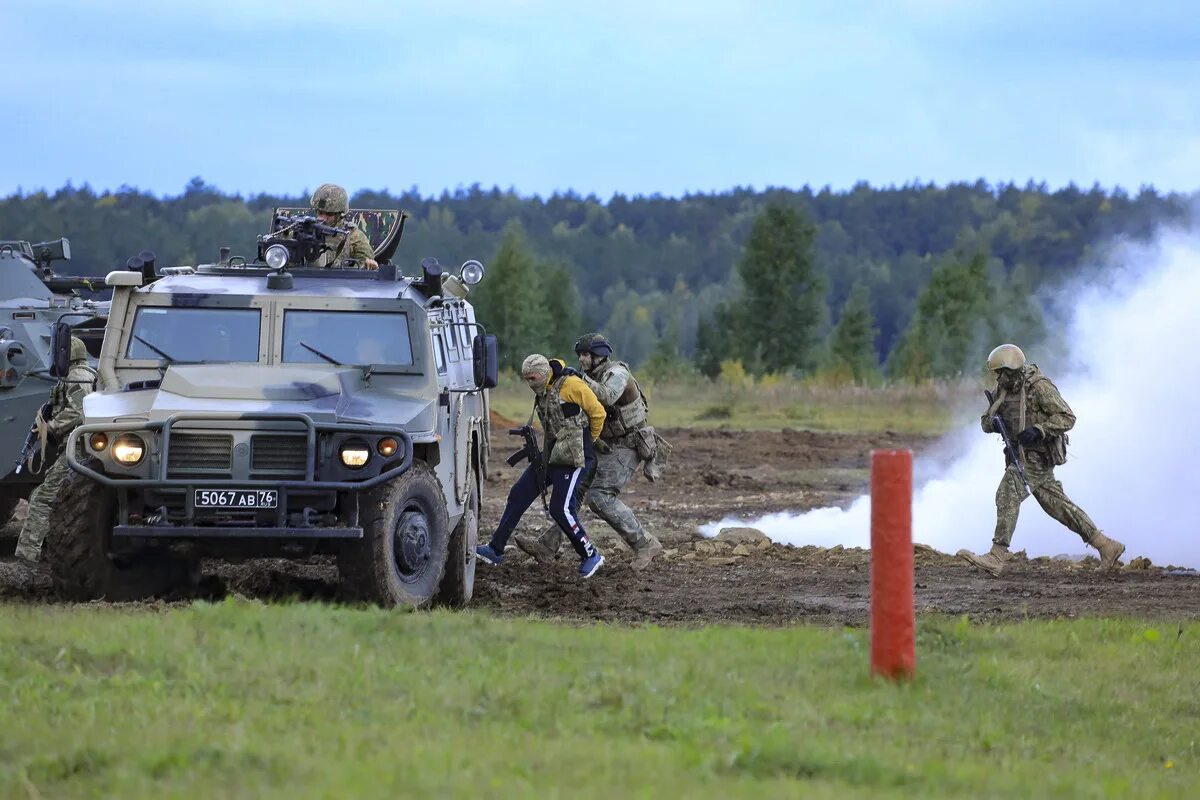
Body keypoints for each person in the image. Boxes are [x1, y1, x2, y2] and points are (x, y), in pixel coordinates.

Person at [957, 343, 1125, 576]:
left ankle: (997, 555)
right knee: (1058, 506)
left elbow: (1068, 417)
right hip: (1021, 455)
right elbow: (986, 422)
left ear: (1011, 370)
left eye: (1000, 372)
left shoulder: (1039, 387)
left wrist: (1040, 429)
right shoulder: (1003, 389)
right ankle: (1106, 545)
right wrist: (994, 424)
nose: (998, 377)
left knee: (1007, 491)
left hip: (1037, 456)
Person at [515, 333, 663, 570]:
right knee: (574, 491)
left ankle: (645, 544)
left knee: (600, 496)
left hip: (628, 444)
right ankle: (548, 546)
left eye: (586, 355)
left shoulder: (618, 374)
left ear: (599, 356)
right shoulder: (590, 376)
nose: (581, 360)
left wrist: (581, 379)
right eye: (580, 355)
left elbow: (606, 396)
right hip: (603, 443)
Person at [476, 354, 606, 578]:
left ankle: (590, 554)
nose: (530, 383)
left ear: (544, 374)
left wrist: (585, 444)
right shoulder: (544, 390)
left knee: (561, 509)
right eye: (526, 379)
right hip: (552, 454)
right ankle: (495, 550)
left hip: (574, 457)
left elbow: (598, 413)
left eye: (533, 378)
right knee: (519, 494)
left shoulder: (572, 385)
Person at [14, 337, 97, 563]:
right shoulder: (80, 374)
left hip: (79, 447)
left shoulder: (77, 375)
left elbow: (80, 410)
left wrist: (50, 427)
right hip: (81, 446)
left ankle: (27, 557)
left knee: (43, 497)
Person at [309, 183, 378, 270]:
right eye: (320, 212)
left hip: (341, 282)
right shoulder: (304, 231)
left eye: (329, 214)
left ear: (340, 215)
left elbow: (365, 260)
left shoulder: (352, 235)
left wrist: (367, 264)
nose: (323, 218)